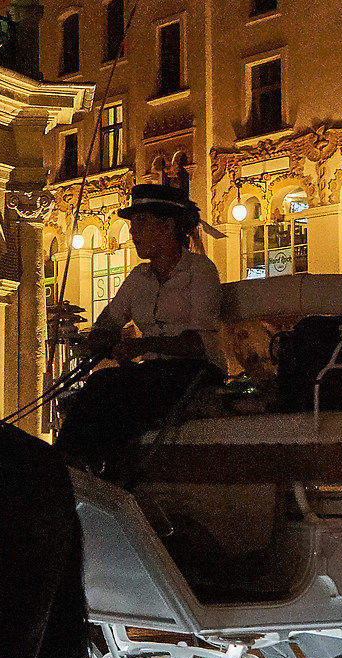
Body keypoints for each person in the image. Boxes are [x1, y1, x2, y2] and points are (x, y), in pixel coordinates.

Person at [53, 182, 226, 484]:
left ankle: (86, 466)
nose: (133, 232)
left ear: (168, 227)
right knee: (97, 387)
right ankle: (71, 464)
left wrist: (139, 346)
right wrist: (103, 337)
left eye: (141, 222)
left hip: (197, 370)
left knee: (111, 384)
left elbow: (199, 343)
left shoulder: (201, 271)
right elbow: (108, 321)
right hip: (155, 371)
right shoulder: (138, 278)